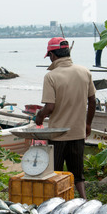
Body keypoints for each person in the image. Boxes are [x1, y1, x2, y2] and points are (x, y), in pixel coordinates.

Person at [35, 37, 96, 199]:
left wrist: (39, 117)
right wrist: (88, 124)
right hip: (78, 132)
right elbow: (92, 101)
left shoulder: (51, 76)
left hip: (57, 134)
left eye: (49, 56)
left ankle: (56, 201)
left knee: (54, 172)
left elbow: (50, 107)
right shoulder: (85, 72)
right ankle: (83, 199)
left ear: (52, 55)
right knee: (78, 172)